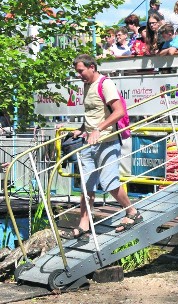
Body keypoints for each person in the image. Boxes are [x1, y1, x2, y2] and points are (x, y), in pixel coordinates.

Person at [61, 54, 142, 241]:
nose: (79, 75)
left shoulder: (105, 84)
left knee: (109, 183)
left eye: (81, 71)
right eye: (77, 72)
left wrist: (98, 129)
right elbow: (93, 113)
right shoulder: (86, 85)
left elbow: (119, 111)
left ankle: (132, 212)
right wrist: (81, 129)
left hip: (107, 141)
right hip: (88, 141)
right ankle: (83, 226)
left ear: (92, 67)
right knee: (87, 185)